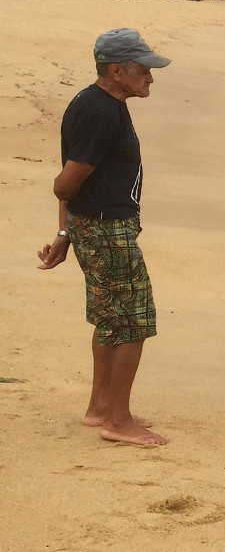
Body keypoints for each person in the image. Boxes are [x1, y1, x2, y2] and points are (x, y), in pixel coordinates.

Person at [37, 28, 171, 446]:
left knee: (111, 319)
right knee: (132, 322)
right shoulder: (102, 113)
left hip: (93, 226)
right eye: (143, 71)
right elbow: (66, 182)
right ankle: (119, 419)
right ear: (116, 70)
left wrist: (65, 231)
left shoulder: (94, 101)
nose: (150, 78)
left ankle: (101, 408)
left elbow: (74, 180)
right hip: (106, 229)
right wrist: (72, 225)